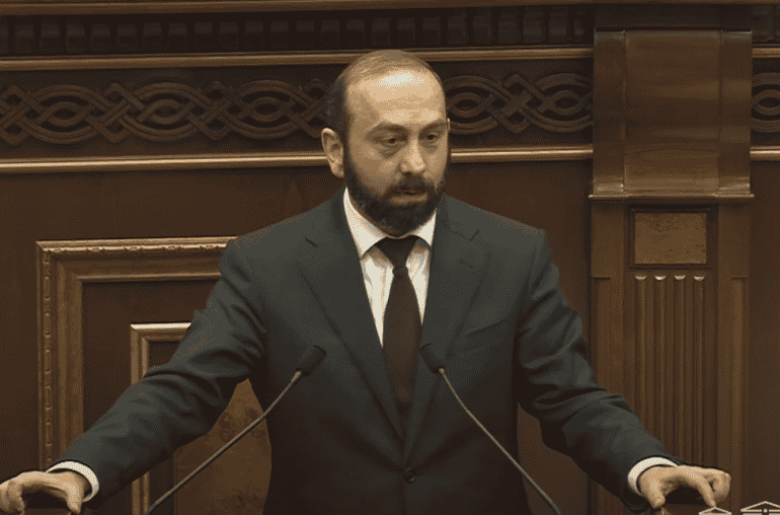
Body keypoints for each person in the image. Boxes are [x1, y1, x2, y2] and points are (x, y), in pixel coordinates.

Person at [0, 50, 730, 515]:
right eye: (390, 140)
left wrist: (647, 465)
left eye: (433, 137)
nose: (416, 162)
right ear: (335, 150)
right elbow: (181, 391)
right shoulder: (267, 264)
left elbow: (569, 397)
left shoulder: (513, 255)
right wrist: (79, 472)